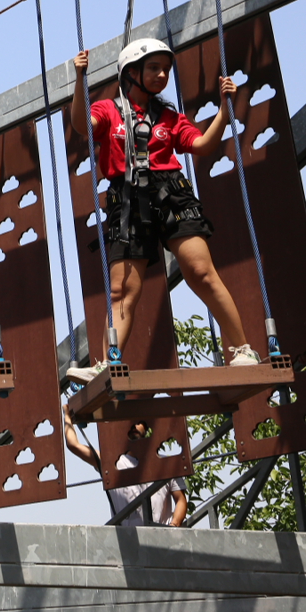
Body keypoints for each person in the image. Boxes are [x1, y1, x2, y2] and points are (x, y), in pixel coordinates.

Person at [67, 38, 258, 383]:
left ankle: (244, 349)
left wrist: (223, 110)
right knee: (122, 290)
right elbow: (82, 126)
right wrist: (80, 81)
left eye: (166, 69)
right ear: (131, 73)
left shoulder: (168, 116)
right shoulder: (109, 110)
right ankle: (107, 363)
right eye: (154, 68)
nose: (162, 75)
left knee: (201, 271)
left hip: (171, 194)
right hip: (128, 199)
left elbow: (200, 145)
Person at [63, 405, 188, 527]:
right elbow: (74, 445)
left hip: (160, 539)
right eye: (129, 422)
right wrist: (67, 416)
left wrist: (173, 526)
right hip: (128, 541)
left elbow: (181, 500)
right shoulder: (112, 462)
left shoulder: (166, 463)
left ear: (146, 428)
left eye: (138, 422)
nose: (133, 425)